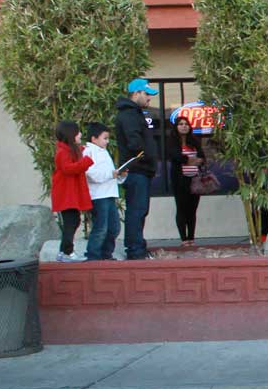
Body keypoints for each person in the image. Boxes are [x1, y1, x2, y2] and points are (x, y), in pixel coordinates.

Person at [114, 78, 163, 260]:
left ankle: (138, 247)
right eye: (147, 94)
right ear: (136, 94)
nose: (149, 98)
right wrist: (147, 156)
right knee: (136, 210)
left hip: (140, 170)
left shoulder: (134, 113)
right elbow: (134, 142)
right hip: (136, 170)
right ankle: (135, 250)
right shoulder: (128, 115)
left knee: (140, 210)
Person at [50, 120, 93, 262]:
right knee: (71, 221)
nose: (80, 134)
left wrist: (81, 152)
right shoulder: (62, 152)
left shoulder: (69, 150)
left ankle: (65, 251)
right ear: (70, 135)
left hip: (70, 194)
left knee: (73, 221)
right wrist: (86, 161)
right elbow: (68, 168)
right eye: (77, 132)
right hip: (65, 194)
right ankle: (66, 252)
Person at [83, 122, 123, 262]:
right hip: (98, 196)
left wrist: (120, 175)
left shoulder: (104, 152)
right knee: (101, 228)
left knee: (114, 227)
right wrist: (111, 174)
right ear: (94, 139)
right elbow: (91, 174)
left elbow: (109, 174)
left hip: (109, 194)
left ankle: (106, 254)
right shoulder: (88, 151)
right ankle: (93, 255)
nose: (107, 141)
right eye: (105, 138)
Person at [168, 115, 204, 246]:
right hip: (180, 180)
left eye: (186, 124)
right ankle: (184, 239)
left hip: (194, 179)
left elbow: (202, 158)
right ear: (176, 127)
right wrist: (188, 160)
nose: (184, 126)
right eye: (181, 124)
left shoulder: (194, 141)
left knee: (192, 210)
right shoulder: (172, 141)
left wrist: (198, 161)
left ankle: (191, 238)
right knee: (181, 208)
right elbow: (175, 156)